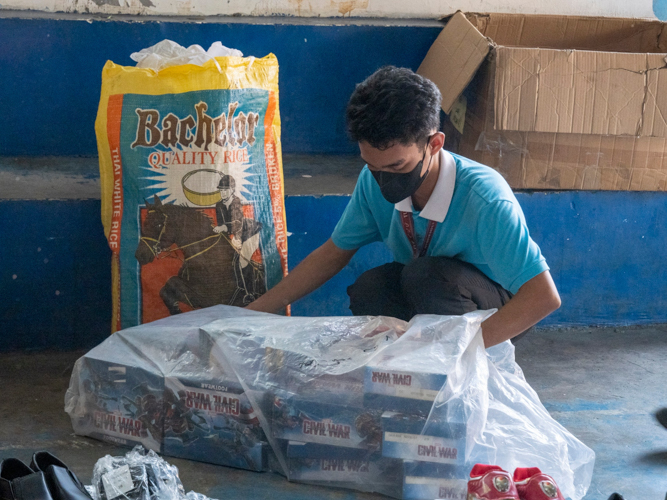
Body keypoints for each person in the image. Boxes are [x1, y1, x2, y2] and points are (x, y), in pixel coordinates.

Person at [246, 66, 560, 348]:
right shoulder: (372, 181)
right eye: (372, 166)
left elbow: (542, 297)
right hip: (427, 290)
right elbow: (331, 255)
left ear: (434, 144)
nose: (384, 179)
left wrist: (467, 351)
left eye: (398, 166)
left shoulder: (485, 200)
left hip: (496, 307)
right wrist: (249, 315)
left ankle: (448, 365)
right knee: (371, 288)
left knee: (426, 277)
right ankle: (403, 374)